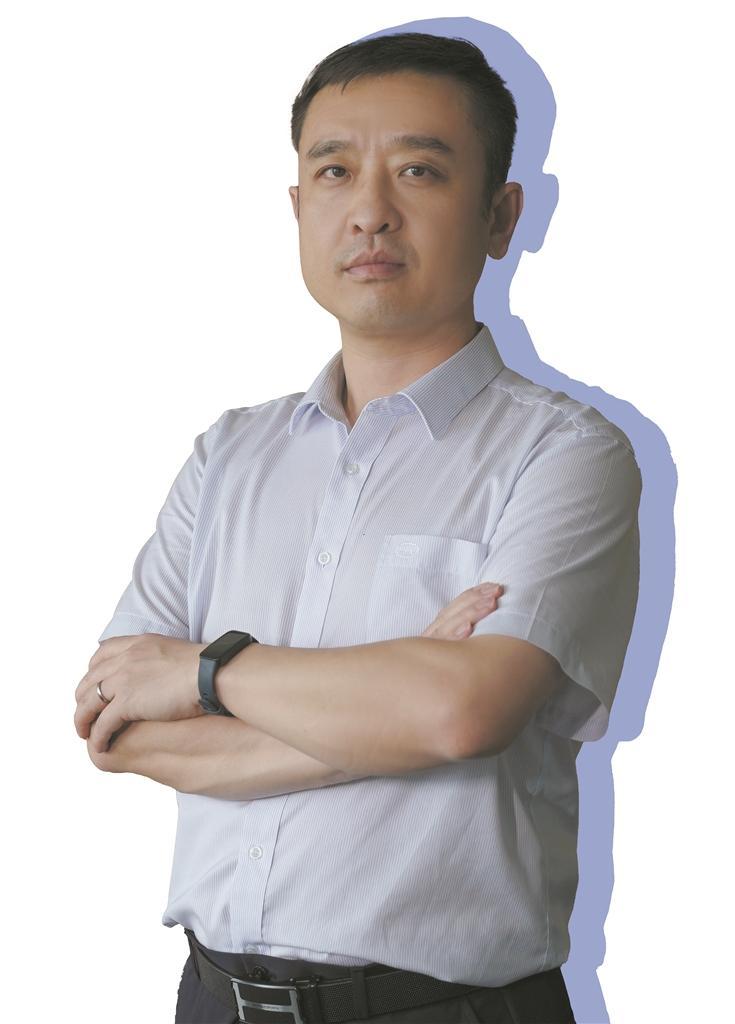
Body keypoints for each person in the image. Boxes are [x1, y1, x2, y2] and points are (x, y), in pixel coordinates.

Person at [74, 32, 641, 1024]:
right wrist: (399, 700)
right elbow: (118, 726)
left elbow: (460, 714)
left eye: (419, 170)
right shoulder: (227, 456)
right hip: (211, 999)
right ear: (298, 207)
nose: (369, 210)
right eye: (335, 171)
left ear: (500, 215)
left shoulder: (566, 456)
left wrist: (205, 671)